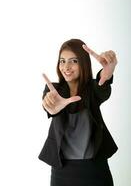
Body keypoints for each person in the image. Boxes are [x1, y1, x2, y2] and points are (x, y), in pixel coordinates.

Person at [38, 39, 118, 186]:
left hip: (95, 170)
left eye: (73, 61)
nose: (66, 66)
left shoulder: (92, 89)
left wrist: (105, 77)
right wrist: (49, 105)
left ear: (83, 63)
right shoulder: (53, 90)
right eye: (62, 61)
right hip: (62, 171)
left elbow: (102, 88)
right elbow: (48, 104)